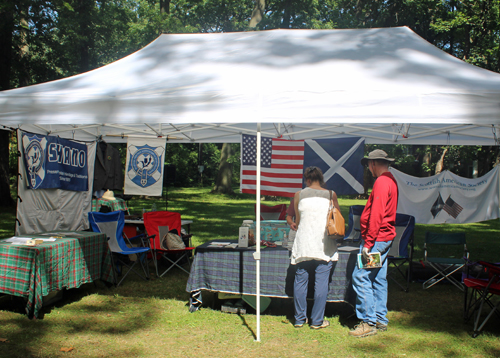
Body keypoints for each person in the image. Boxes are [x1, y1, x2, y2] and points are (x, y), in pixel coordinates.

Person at [349, 149, 398, 338]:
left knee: (361, 276)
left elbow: (377, 214)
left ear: (373, 164)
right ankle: (380, 319)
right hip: (384, 238)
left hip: (376, 239)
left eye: (369, 165)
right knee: (378, 278)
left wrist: (368, 243)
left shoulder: (381, 182)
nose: (369, 169)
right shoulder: (391, 181)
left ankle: (368, 322)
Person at [291, 166, 340, 330]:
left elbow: (297, 222)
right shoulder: (331, 195)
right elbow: (337, 218)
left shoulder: (299, 195)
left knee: (300, 280)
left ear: (307, 180)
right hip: (324, 244)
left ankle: (299, 319)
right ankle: (317, 321)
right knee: (321, 283)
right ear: (321, 179)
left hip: (304, 244)